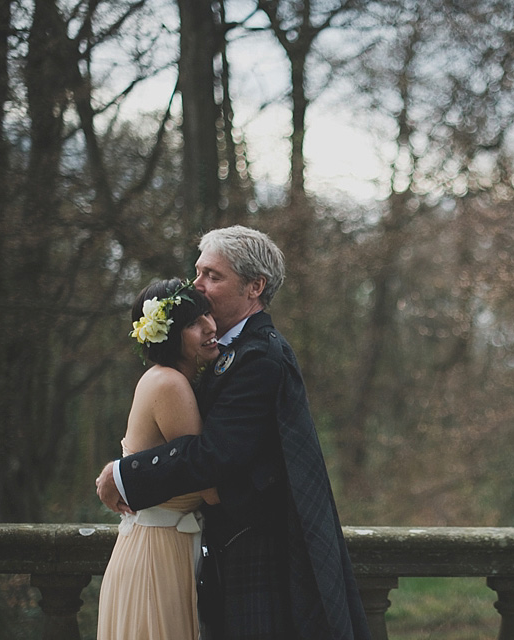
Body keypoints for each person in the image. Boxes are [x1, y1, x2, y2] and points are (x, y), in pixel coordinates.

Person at [96, 225, 371, 640]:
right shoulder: (225, 354)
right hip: (222, 548)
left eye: (213, 276)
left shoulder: (260, 356)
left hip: (259, 552)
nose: (198, 286)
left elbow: (215, 455)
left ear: (254, 287)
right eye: (198, 272)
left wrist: (124, 475)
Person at [98, 278, 221, 640]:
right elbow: (210, 487)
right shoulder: (170, 384)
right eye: (194, 323)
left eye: (207, 314)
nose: (211, 326)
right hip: (157, 558)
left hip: (164, 547)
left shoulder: (166, 378)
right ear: (167, 335)